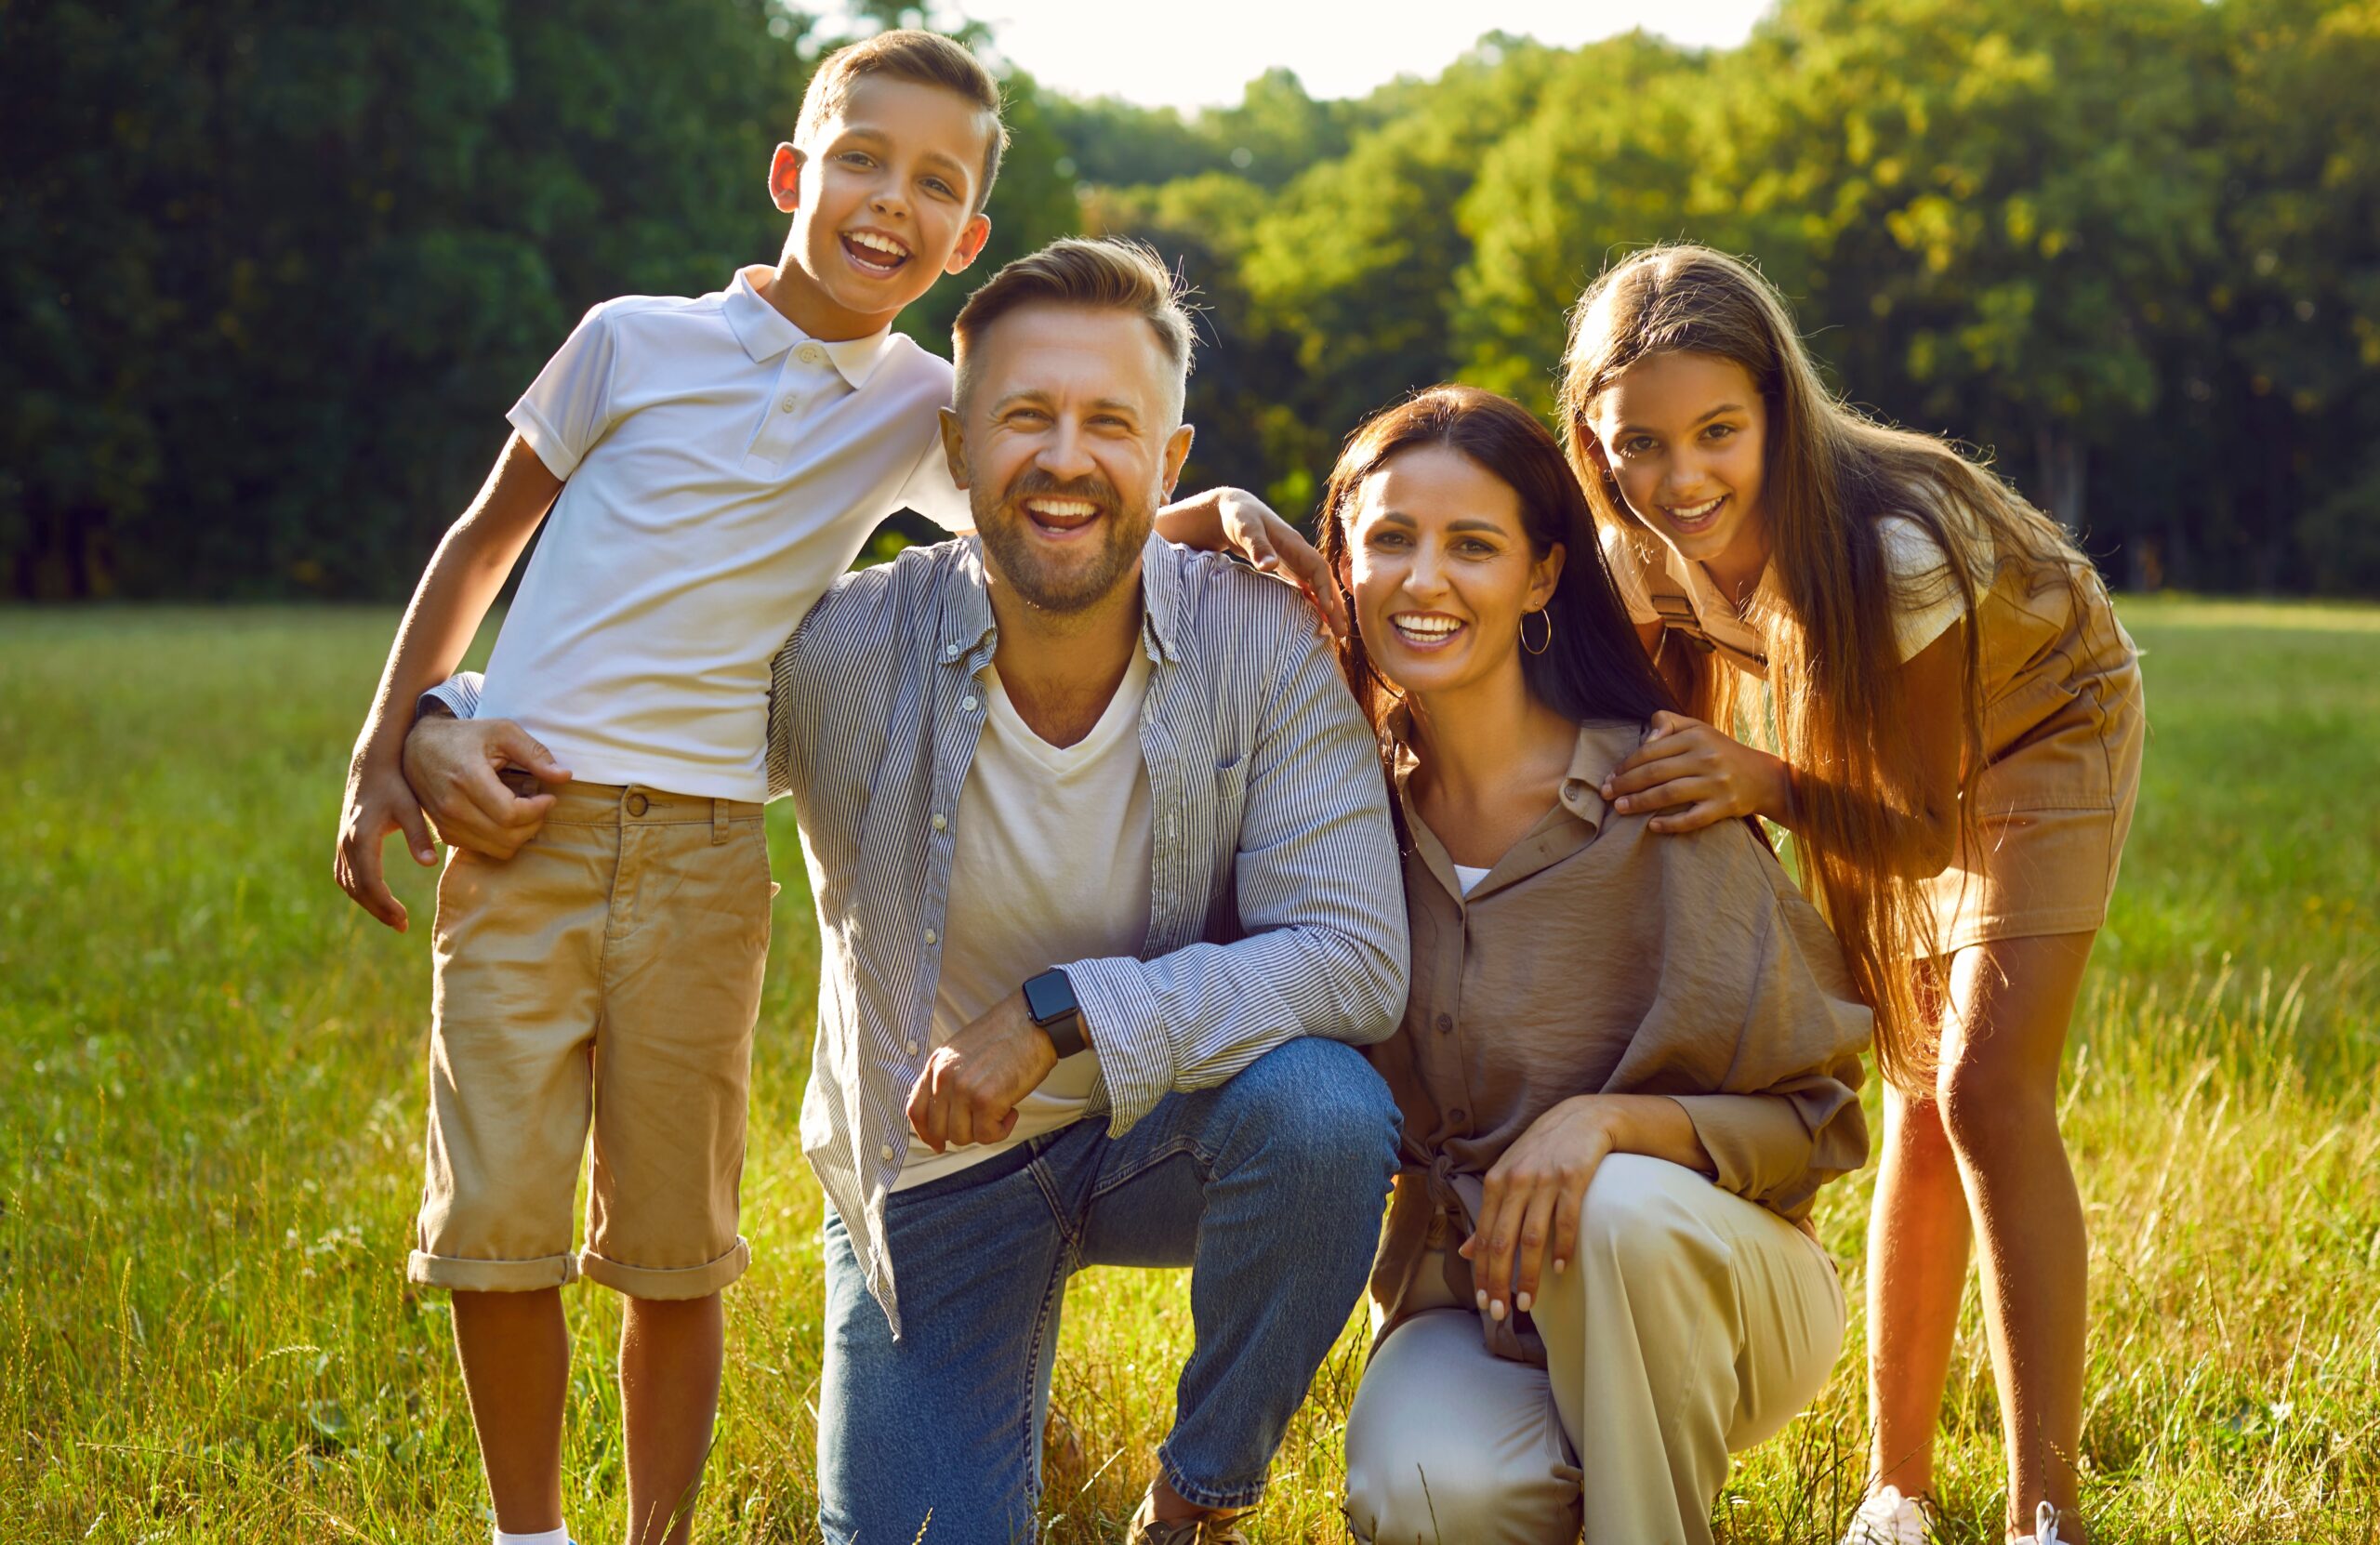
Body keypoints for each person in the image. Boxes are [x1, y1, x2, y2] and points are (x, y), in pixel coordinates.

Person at [328, 34, 1308, 1544]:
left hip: (710, 859)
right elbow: (480, 545)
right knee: (499, 1227)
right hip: (522, 831)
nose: (889, 201)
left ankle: (656, 1533)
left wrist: (1211, 507)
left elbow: (1048, 508)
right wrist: (389, 744)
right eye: (862, 158)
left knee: (674, 1246)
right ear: (793, 173)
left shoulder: (920, 402)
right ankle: (528, 1532)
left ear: (967, 236)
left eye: (935, 185)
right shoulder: (627, 342)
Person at [1558, 246, 2146, 1545]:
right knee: (1918, 1087)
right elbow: (1676, 760)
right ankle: (1898, 1489)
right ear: (1596, 446)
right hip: (1868, 747)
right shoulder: (1638, 548)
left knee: (1987, 1086)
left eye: (1719, 431)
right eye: (1639, 444)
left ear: (1778, 407)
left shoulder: (1887, 542)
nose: (1683, 477)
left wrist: (1766, 778)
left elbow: (1918, 819)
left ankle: (2046, 1510)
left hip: (2041, 719)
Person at [1320, 386, 1871, 1545]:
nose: (1424, 580)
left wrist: (1613, 1125)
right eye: (1389, 540)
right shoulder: (1332, 824)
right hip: (1471, 1311)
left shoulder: (1656, 794)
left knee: (1609, 1202)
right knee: (1422, 1498)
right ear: (1344, 565)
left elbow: (1815, 1123)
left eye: (1473, 545)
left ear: (1540, 579)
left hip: (1707, 1289)